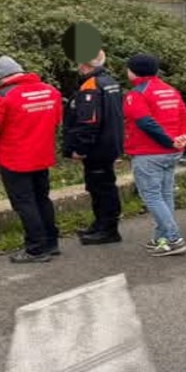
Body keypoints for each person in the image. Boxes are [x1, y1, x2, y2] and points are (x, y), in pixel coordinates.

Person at [0, 55, 64, 264]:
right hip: (42, 155)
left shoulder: (2, 96)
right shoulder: (50, 90)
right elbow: (57, 119)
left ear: (0, 77)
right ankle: (51, 242)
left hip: (14, 158)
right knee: (42, 199)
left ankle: (35, 248)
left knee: (24, 203)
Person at [123, 53, 186, 256]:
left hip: (149, 153)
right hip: (172, 152)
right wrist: (185, 137)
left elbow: (145, 123)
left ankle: (174, 239)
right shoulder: (170, 90)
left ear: (133, 71)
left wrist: (169, 140)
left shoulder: (135, 94)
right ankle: (160, 239)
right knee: (165, 195)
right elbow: (185, 116)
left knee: (153, 196)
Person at [63, 48, 125, 245]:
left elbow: (89, 123)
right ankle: (101, 225)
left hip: (97, 148)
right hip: (110, 143)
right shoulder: (110, 81)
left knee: (101, 188)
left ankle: (107, 229)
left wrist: (80, 148)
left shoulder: (91, 86)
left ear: (85, 64)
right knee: (102, 186)